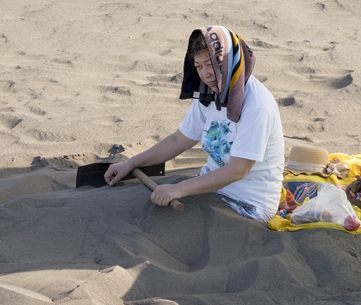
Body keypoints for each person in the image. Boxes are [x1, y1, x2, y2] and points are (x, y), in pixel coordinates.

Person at [104, 26, 285, 222]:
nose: (205, 74)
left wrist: (179, 189)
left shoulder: (257, 105)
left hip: (246, 205)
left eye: (210, 64)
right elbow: (178, 140)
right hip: (207, 190)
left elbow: (238, 170)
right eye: (198, 66)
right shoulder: (210, 93)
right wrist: (130, 163)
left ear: (229, 62)